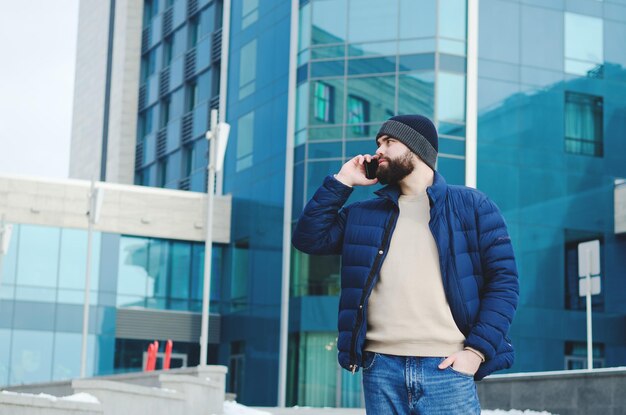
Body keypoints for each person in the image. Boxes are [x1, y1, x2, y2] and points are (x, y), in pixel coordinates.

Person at [292, 114, 519, 414]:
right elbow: (309, 238)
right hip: (381, 368)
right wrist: (343, 180)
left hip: (447, 368)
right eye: (378, 143)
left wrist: (475, 353)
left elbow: (504, 283)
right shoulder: (364, 214)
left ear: (418, 149)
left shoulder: (472, 206)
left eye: (389, 142)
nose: (378, 151)